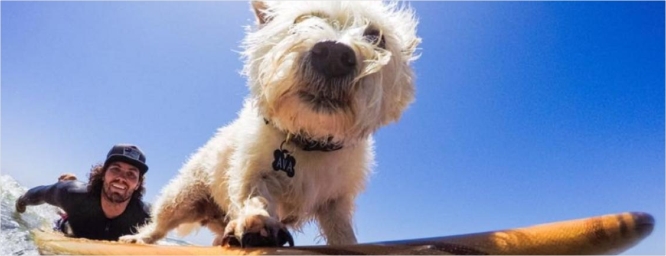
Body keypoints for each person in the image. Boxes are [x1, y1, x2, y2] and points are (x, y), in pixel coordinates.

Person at [15, 144, 151, 241]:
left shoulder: (146, 216)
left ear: (138, 184)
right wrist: (20, 205)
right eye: (115, 169)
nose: (121, 178)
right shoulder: (71, 193)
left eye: (131, 174)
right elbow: (39, 194)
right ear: (103, 174)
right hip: (68, 232)